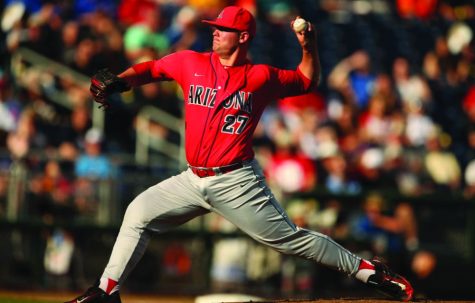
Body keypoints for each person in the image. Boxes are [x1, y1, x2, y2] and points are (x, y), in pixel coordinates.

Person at [65, 6, 413, 303]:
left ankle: (368, 271)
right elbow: (152, 69)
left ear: (243, 37)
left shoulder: (259, 77)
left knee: (290, 240)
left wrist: (309, 47)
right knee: (138, 212)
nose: (215, 33)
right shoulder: (191, 63)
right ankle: (106, 291)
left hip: (236, 181)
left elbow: (306, 81)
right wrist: (120, 81)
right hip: (192, 177)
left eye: (223, 30)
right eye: (214, 28)